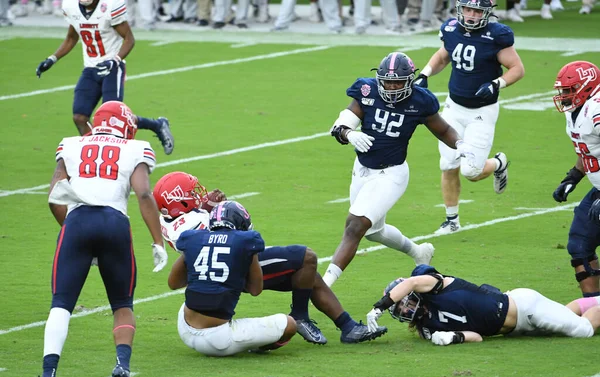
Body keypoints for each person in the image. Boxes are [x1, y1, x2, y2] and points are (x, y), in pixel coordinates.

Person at [27, 101, 169, 377]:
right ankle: (122, 366)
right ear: (127, 125)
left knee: (61, 304)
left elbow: (54, 194)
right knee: (122, 304)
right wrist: (158, 241)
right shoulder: (136, 148)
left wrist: (71, 231)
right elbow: (143, 193)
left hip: (77, 221)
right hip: (115, 223)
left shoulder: (71, 143)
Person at [153, 171, 389, 345]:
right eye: (192, 193)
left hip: (218, 268)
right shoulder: (189, 227)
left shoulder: (171, 221)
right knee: (306, 258)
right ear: (177, 200)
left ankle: (347, 326)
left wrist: (207, 208)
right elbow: (222, 236)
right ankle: (301, 316)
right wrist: (214, 209)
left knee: (306, 275)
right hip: (230, 268)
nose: (199, 194)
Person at [323, 51, 475, 288]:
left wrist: (460, 144)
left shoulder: (420, 100)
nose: (392, 87)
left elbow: (443, 130)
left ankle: (324, 284)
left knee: (355, 226)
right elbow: (341, 124)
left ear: (410, 81)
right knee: (373, 231)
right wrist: (349, 133)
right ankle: (419, 252)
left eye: (398, 82)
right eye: (387, 81)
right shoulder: (366, 90)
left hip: (391, 173)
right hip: (362, 169)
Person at [414, 0, 525, 234]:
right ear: (460, 9)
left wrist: (497, 83)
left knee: (471, 171)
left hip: (481, 112)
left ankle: (498, 163)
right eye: (468, 9)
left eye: (477, 11)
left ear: (486, 13)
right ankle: (451, 220)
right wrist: (425, 73)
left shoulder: (497, 35)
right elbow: (443, 56)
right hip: (454, 107)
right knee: (448, 163)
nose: (471, 15)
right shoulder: (452, 29)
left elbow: (517, 68)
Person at [35, 0, 175, 155]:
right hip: (90, 68)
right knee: (80, 117)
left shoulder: (109, 6)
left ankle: (156, 125)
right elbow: (71, 37)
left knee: (112, 117)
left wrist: (114, 60)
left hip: (112, 68)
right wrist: (52, 59)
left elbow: (129, 39)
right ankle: (97, 152)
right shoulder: (71, 7)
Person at [165, 200, 298, 356]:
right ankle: (257, 346)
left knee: (199, 291)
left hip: (184, 327)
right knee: (290, 325)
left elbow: (173, 283)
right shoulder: (246, 242)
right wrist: (249, 255)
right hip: (217, 340)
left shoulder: (193, 237)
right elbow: (255, 290)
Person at [365, 264, 600, 345]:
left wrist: (380, 306)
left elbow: (412, 281)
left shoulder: (438, 285)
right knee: (564, 317)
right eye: (400, 312)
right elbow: (477, 337)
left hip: (525, 307)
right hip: (515, 328)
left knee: (583, 330)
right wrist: (453, 338)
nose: (404, 311)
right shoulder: (428, 327)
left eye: (401, 305)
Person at [551, 60, 600, 298]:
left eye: (570, 91)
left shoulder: (598, 109)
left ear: (588, 86)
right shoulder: (576, 111)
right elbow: (588, 150)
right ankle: (595, 307)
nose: (565, 97)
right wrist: (573, 176)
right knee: (580, 244)